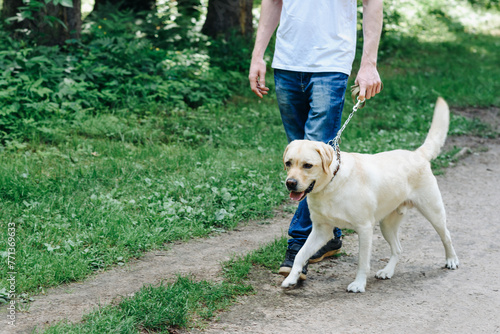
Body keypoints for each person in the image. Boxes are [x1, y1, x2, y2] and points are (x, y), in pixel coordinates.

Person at [248, 0, 383, 280]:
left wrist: (369, 63)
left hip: (331, 64)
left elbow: (373, 3)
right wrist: (258, 54)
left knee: (316, 156)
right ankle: (329, 234)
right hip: (286, 63)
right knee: (305, 162)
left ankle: (299, 244)